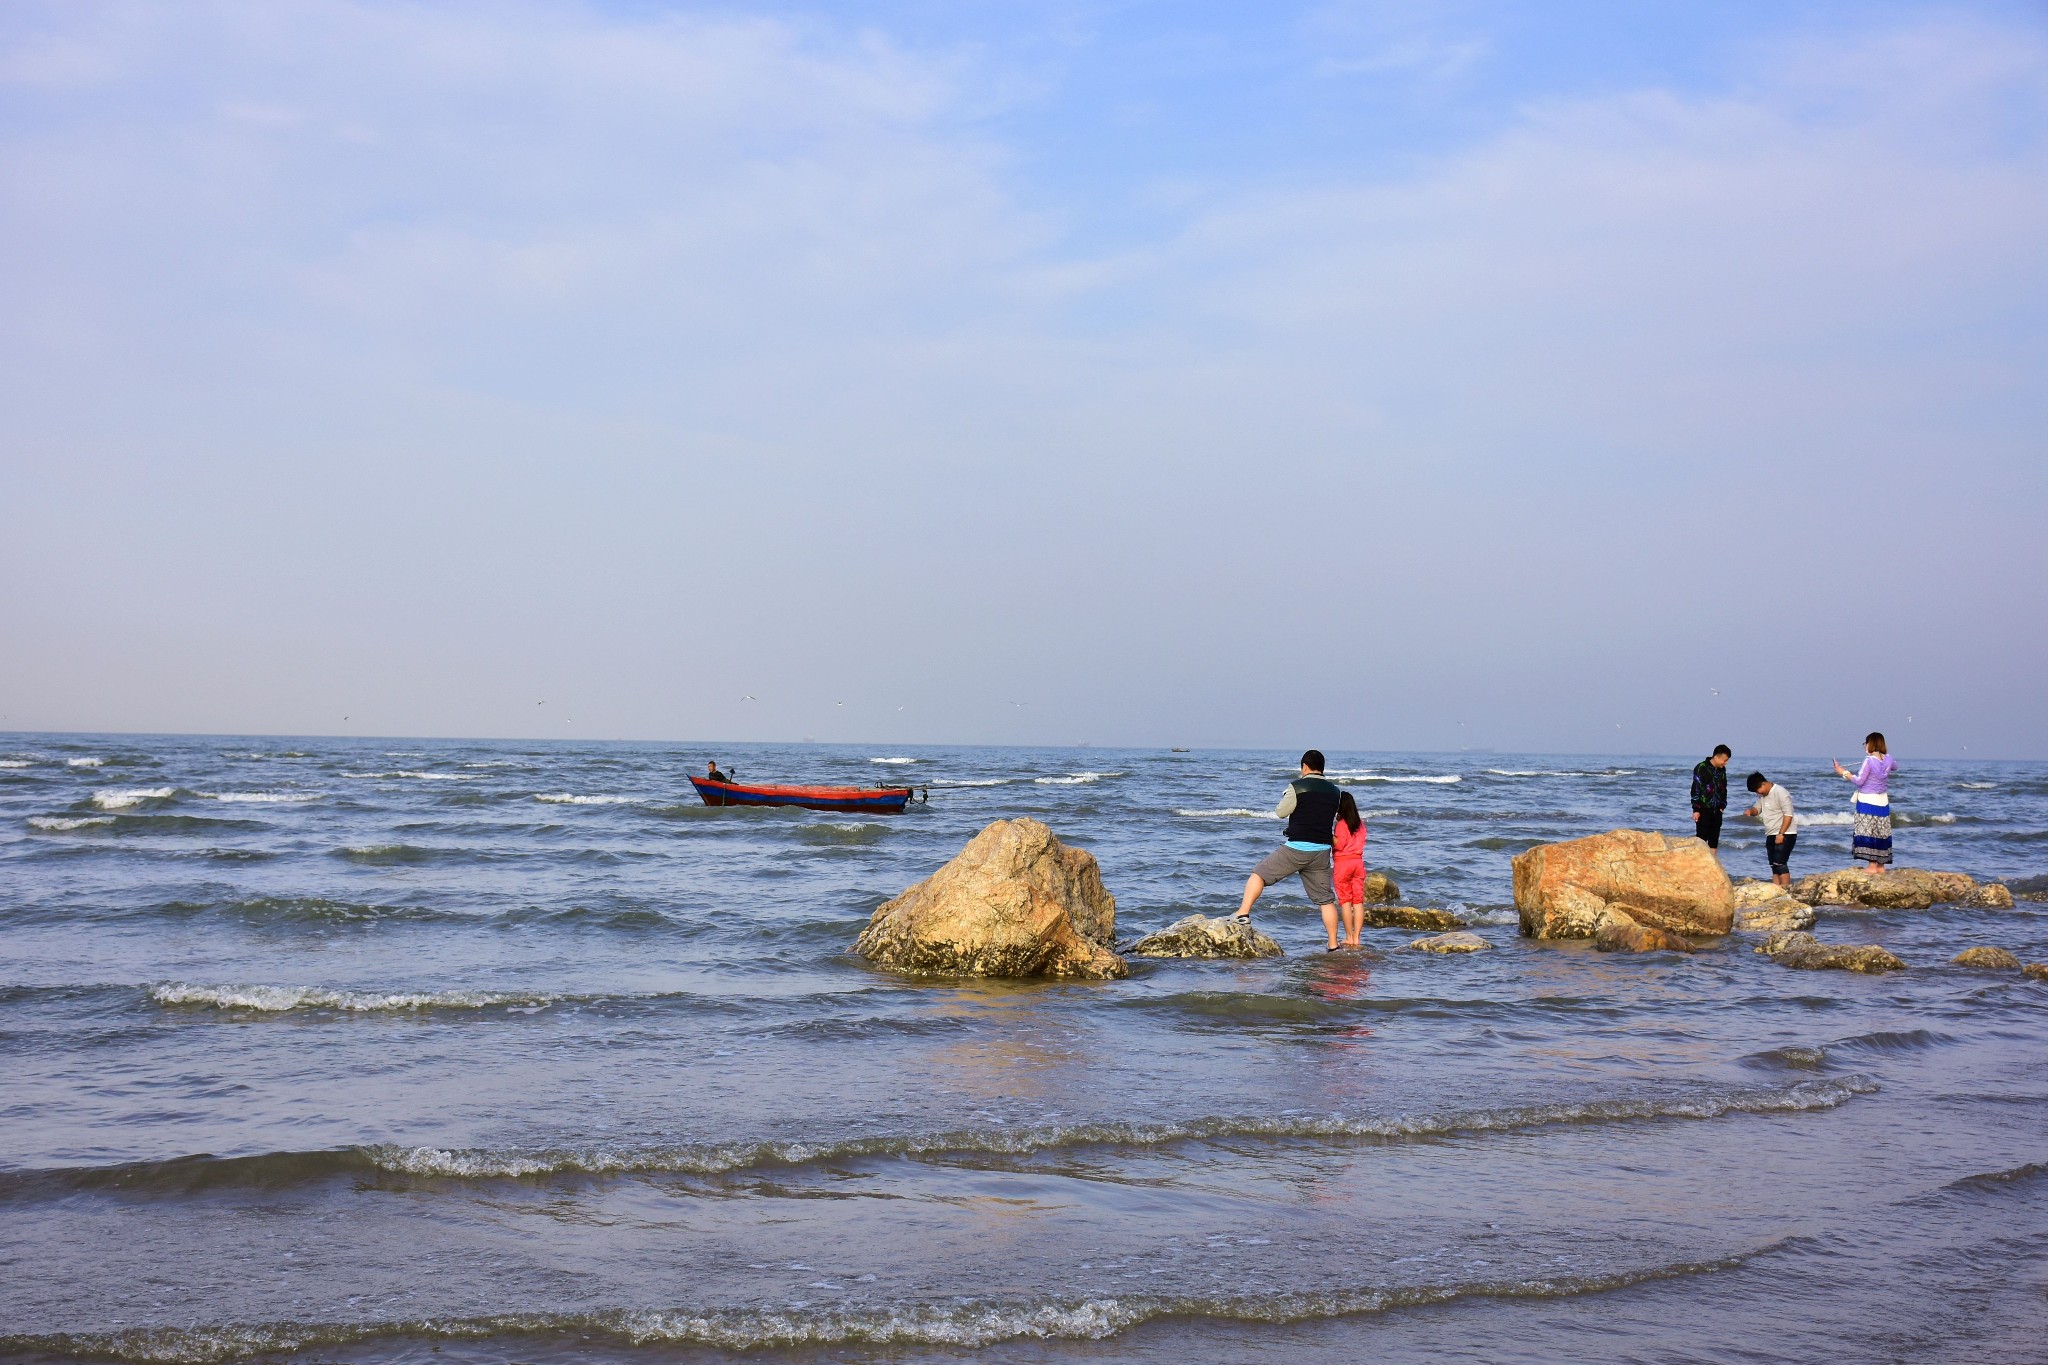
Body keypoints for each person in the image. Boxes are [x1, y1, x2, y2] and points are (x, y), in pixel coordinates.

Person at [1234, 749, 1343, 951]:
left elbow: (1280, 812)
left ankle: (1242, 914)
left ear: (1304, 767)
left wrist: (1288, 794)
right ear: (1322, 768)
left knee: (1258, 874)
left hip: (1296, 848)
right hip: (1321, 852)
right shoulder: (1335, 792)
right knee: (1326, 900)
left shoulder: (1297, 787)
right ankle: (1333, 945)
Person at [1833, 733, 1897, 871]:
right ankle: (1881, 866)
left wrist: (1843, 772)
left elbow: (1859, 781)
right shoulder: (1889, 759)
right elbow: (1895, 766)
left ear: (1871, 744)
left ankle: (1872, 866)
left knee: (1868, 831)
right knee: (1881, 831)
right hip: (1882, 801)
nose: (1864, 746)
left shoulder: (1869, 760)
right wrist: (1884, 760)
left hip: (1867, 801)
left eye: (1865, 743)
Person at [1743, 772, 1798, 887]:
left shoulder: (1781, 793)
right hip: (1770, 833)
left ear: (1763, 783)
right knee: (1774, 865)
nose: (1757, 793)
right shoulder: (1763, 796)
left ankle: (1786, 890)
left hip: (1786, 833)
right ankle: (1777, 890)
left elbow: (1788, 815)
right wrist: (1750, 811)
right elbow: (1757, 809)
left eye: (1757, 790)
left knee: (1780, 863)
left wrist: (1781, 834)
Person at [1331, 791, 1369, 949]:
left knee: (1345, 902)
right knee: (1358, 901)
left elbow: (1339, 845)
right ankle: (1357, 938)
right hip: (1358, 863)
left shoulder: (1341, 825)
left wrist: (1329, 836)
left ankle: (1349, 936)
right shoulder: (1360, 824)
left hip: (1343, 864)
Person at [1690, 745, 1732, 850]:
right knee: (1701, 838)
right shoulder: (1701, 767)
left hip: (1717, 809)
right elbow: (1696, 788)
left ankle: (1713, 862)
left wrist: (1723, 805)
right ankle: (1700, 863)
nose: (1725, 763)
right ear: (1716, 757)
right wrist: (1696, 809)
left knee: (1714, 839)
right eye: (1725, 760)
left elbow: (1723, 788)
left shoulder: (1722, 770)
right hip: (1703, 808)